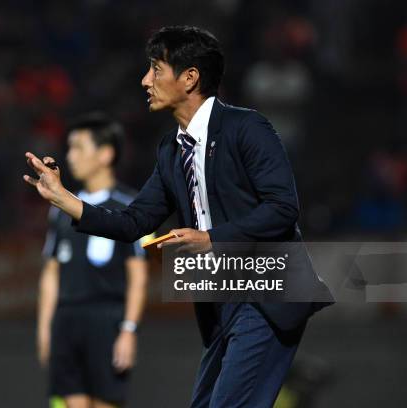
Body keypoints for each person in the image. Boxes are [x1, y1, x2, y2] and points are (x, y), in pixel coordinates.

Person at [25, 26, 332, 408]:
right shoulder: (172, 149)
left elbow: (283, 208)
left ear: (190, 78)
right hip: (222, 304)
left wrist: (210, 238)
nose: (145, 80)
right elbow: (134, 222)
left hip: (267, 291)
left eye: (155, 69)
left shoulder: (246, 127)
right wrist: (63, 198)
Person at [36, 113, 149, 408]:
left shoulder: (128, 207)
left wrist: (129, 329)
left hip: (107, 321)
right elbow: (51, 271)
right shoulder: (60, 208)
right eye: (69, 148)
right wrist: (46, 327)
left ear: (105, 154)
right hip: (67, 320)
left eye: (78, 148)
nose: (70, 156)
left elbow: (138, 275)